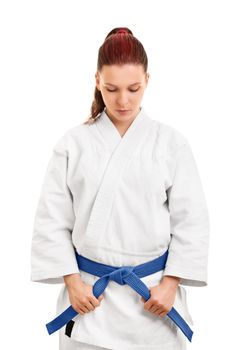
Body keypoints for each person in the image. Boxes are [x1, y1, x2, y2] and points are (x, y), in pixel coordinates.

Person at [30, 27, 209, 350]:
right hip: (90, 300)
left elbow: (191, 222)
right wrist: (72, 282)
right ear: (97, 80)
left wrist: (170, 284)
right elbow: (51, 221)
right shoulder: (73, 145)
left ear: (147, 81)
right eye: (111, 89)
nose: (123, 100)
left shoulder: (171, 144)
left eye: (134, 88)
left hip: (153, 301)